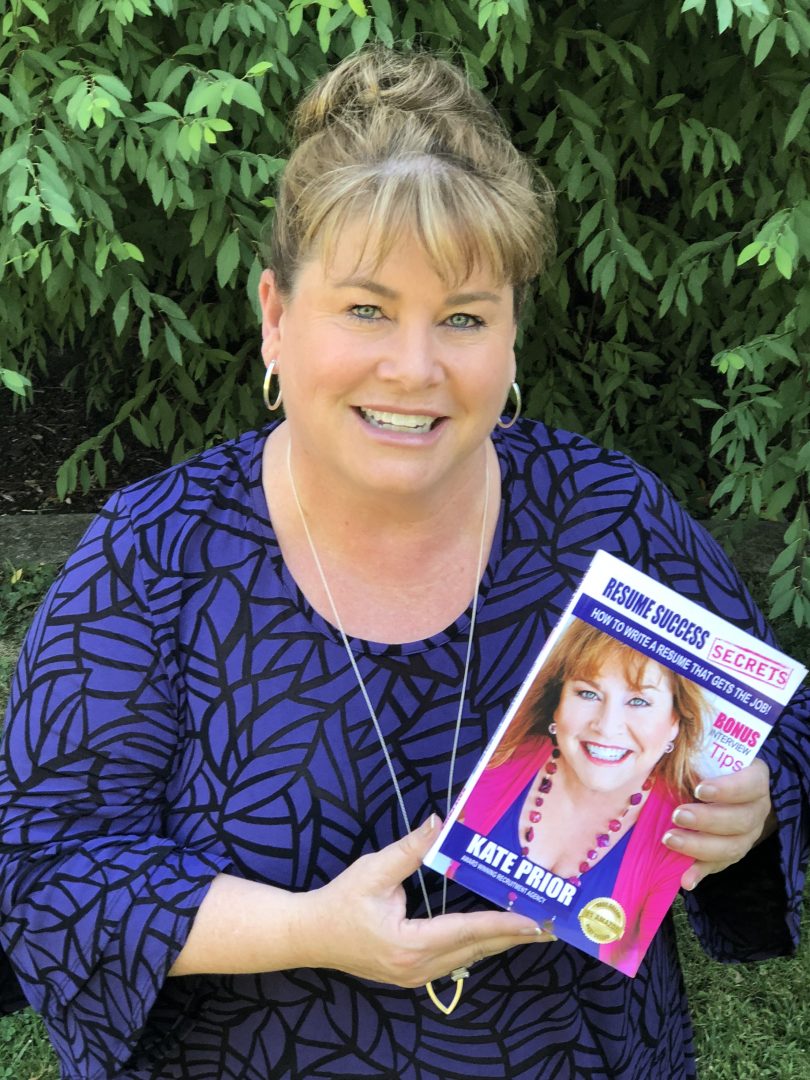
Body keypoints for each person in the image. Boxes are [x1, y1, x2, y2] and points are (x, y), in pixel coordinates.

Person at [0, 46, 805, 1080]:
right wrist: (307, 929)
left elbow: (777, 727)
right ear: (277, 318)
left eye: (465, 317)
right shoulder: (153, 557)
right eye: (368, 309)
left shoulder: (610, 514)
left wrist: (753, 801)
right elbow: (46, 871)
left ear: (512, 342)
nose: (415, 368)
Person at [453, 618, 712, 974]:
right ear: (557, 705)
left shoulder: (684, 828)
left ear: (674, 724)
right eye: (588, 693)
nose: (607, 726)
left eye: (638, 701)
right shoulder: (498, 761)